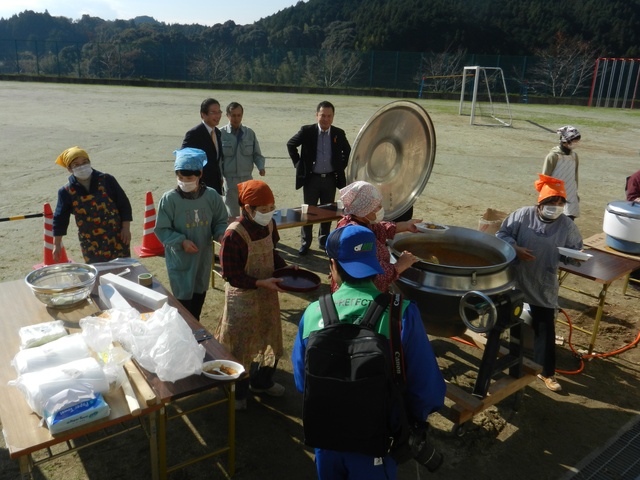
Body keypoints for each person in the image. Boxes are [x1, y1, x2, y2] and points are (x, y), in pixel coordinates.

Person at [292, 225, 446, 479]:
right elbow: (427, 389)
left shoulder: (313, 313)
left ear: (333, 265)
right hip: (377, 444)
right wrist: (412, 421)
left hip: (326, 439)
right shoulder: (401, 314)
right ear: (375, 263)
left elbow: (302, 381)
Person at [496, 174, 583, 392]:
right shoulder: (523, 215)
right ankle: (496, 350)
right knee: (503, 316)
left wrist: (574, 256)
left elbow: (575, 251)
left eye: (560, 203)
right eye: (552, 202)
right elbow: (502, 233)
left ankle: (547, 373)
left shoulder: (566, 226)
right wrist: (515, 249)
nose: (556, 206)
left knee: (545, 326)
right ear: (541, 203)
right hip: (515, 277)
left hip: (543, 281)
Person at [215, 179, 289, 411]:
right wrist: (260, 282)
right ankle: (239, 392)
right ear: (247, 208)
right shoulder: (233, 235)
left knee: (269, 335)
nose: (268, 214)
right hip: (242, 298)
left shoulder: (269, 225)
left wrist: (286, 269)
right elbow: (231, 275)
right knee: (241, 345)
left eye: (271, 208)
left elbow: (272, 252)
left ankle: (262, 382)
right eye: (263, 210)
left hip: (267, 294)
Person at [155, 147, 228, 320]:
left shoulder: (211, 196)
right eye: (180, 177)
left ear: (200, 174)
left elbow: (220, 221)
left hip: (202, 257)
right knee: (182, 305)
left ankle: (196, 330)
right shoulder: (170, 199)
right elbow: (162, 229)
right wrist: (181, 241)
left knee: (198, 299)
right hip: (180, 260)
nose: (184, 181)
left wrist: (220, 235)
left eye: (189, 178)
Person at [332, 181, 421, 293]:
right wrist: (400, 265)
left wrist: (406, 225)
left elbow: (381, 228)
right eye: (377, 206)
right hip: (360, 296)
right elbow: (375, 276)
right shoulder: (357, 236)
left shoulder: (362, 221)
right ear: (364, 210)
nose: (381, 209)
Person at [287, 100, 351, 255]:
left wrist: (338, 167)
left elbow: (347, 152)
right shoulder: (307, 131)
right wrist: (299, 165)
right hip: (311, 179)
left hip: (330, 179)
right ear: (317, 115)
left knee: (327, 212)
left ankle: (323, 241)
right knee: (308, 212)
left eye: (329, 116)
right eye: (323, 115)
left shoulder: (338, 133)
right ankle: (305, 243)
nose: (326, 119)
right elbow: (291, 144)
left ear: (333, 117)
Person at [53, 146, 132, 264]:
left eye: (85, 162)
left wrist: (126, 228)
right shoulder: (66, 191)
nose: (82, 166)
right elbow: (60, 218)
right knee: (99, 273)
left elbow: (123, 204)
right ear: (69, 169)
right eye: (76, 164)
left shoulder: (107, 180)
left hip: (117, 236)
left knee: (123, 269)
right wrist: (57, 244)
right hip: (90, 242)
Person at [219, 102, 266, 219]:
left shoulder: (249, 133)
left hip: (247, 179)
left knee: (249, 212)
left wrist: (261, 167)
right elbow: (218, 159)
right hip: (230, 181)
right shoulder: (220, 134)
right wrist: (219, 177)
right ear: (227, 116)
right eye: (233, 115)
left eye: (239, 115)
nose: (236, 118)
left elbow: (257, 154)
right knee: (233, 214)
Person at [181, 98, 224, 194]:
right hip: (198, 188)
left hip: (215, 187)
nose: (217, 115)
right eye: (213, 112)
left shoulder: (218, 133)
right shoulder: (194, 134)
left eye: (219, 112)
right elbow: (183, 160)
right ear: (203, 114)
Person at [542, 125, 581, 220]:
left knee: (569, 220)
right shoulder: (553, 156)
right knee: (553, 220)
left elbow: (575, 176)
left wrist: (575, 194)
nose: (576, 143)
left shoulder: (574, 156)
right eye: (574, 141)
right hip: (555, 196)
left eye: (577, 141)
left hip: (570, 195)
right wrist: (546, 198)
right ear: (565, 141)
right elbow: (545, 178)